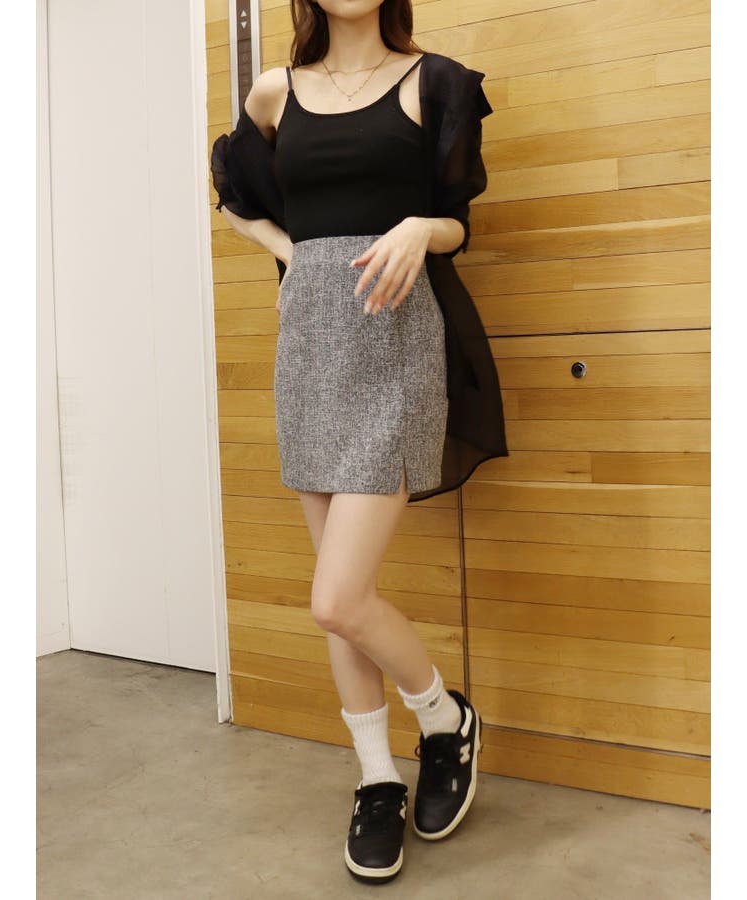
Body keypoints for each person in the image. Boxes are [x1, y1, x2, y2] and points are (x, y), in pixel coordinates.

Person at [211, 0, 506, 885]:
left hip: (395, 343)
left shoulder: (435, 83)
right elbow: (232, 197)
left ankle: (444, 718)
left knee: (337, 599)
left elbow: (458, 221)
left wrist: (420, 226)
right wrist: (290, 251)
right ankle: (377, 778)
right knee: (342, 594)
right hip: (310, 347)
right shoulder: (275, 92)